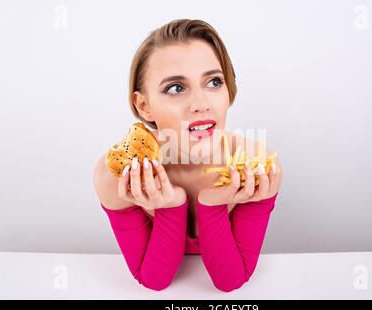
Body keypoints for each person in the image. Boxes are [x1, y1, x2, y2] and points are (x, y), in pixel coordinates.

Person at [93, 19, 283, 292]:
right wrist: (172, 204)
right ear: (144, 106)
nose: (202, 104)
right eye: (176, 88)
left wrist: (213, 202)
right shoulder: (116, 177)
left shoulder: (257, 169)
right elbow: (154, 280)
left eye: (214, 82)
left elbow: (231, 280)